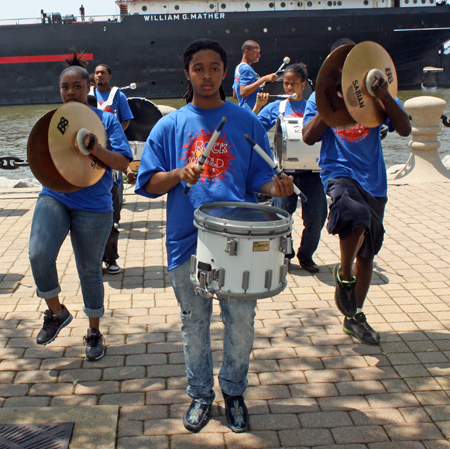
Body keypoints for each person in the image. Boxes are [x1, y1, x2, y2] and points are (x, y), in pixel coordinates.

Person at [135, 38, 294, 434]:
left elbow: (261, 180)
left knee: (241, 321)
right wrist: (178, 174)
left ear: (225, 72)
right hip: (186, 241)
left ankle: (234, 391)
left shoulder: (245, 122)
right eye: (198, 68)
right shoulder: (169, 125)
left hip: (237, 242)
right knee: (194, 324)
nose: (207, 75)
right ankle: (200, 395)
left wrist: (279, 188)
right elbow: (148, 183)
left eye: (214, 68)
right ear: (187, 73)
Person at [302, 38, 411, 345]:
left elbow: (403, 129)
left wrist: (383, 96)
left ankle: (355, 316)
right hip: (339, 173)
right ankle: (344, 273)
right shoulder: (322, 95)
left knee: (369, 253)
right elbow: (309, 137)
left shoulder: (377, 92)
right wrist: (330, 105)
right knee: (354, 213)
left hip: (374, 180)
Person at [29, 49, 132, 360]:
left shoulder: (107, 120)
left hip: (95, 204)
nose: (70, 92)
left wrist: (95, 149)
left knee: (89, 270)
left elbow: (123, 161)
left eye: (76, 86)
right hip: (55, 195)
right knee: (38, 254)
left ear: (88, 87)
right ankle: (56, 312)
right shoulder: (55, 122)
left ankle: (94, 331)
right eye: (65, 87)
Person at [253, 63, 327, 273]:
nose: (289, 87)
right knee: (280, 216)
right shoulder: (276, 107)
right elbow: (254, 130)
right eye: (286, 83)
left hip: (312, 174)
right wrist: (258, 106)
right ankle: (285, 252)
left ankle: (306, 255)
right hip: (284, 174)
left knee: (317, 216)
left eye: (294, 83)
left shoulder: (314, 108)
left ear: (304, 84)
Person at [91, 63, 135, 274]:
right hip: (89, 162)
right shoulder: (87, 96)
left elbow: (125, 120)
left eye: (103, 72)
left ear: (109, 75)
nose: (99, 75)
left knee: (112, 216)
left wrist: (112, 136)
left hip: (111, 159)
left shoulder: (118, 97)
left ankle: (110, 258)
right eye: (96, 72)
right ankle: (94, 260)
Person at [232, 40, 277, 110]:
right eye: (256, 52)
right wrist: (264, 79)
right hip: (251, 112)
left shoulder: (238, 68)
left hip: (243, 110)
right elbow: (243, 92)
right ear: (247, 51)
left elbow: (235, 95)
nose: (259, 55)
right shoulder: (246, 68)